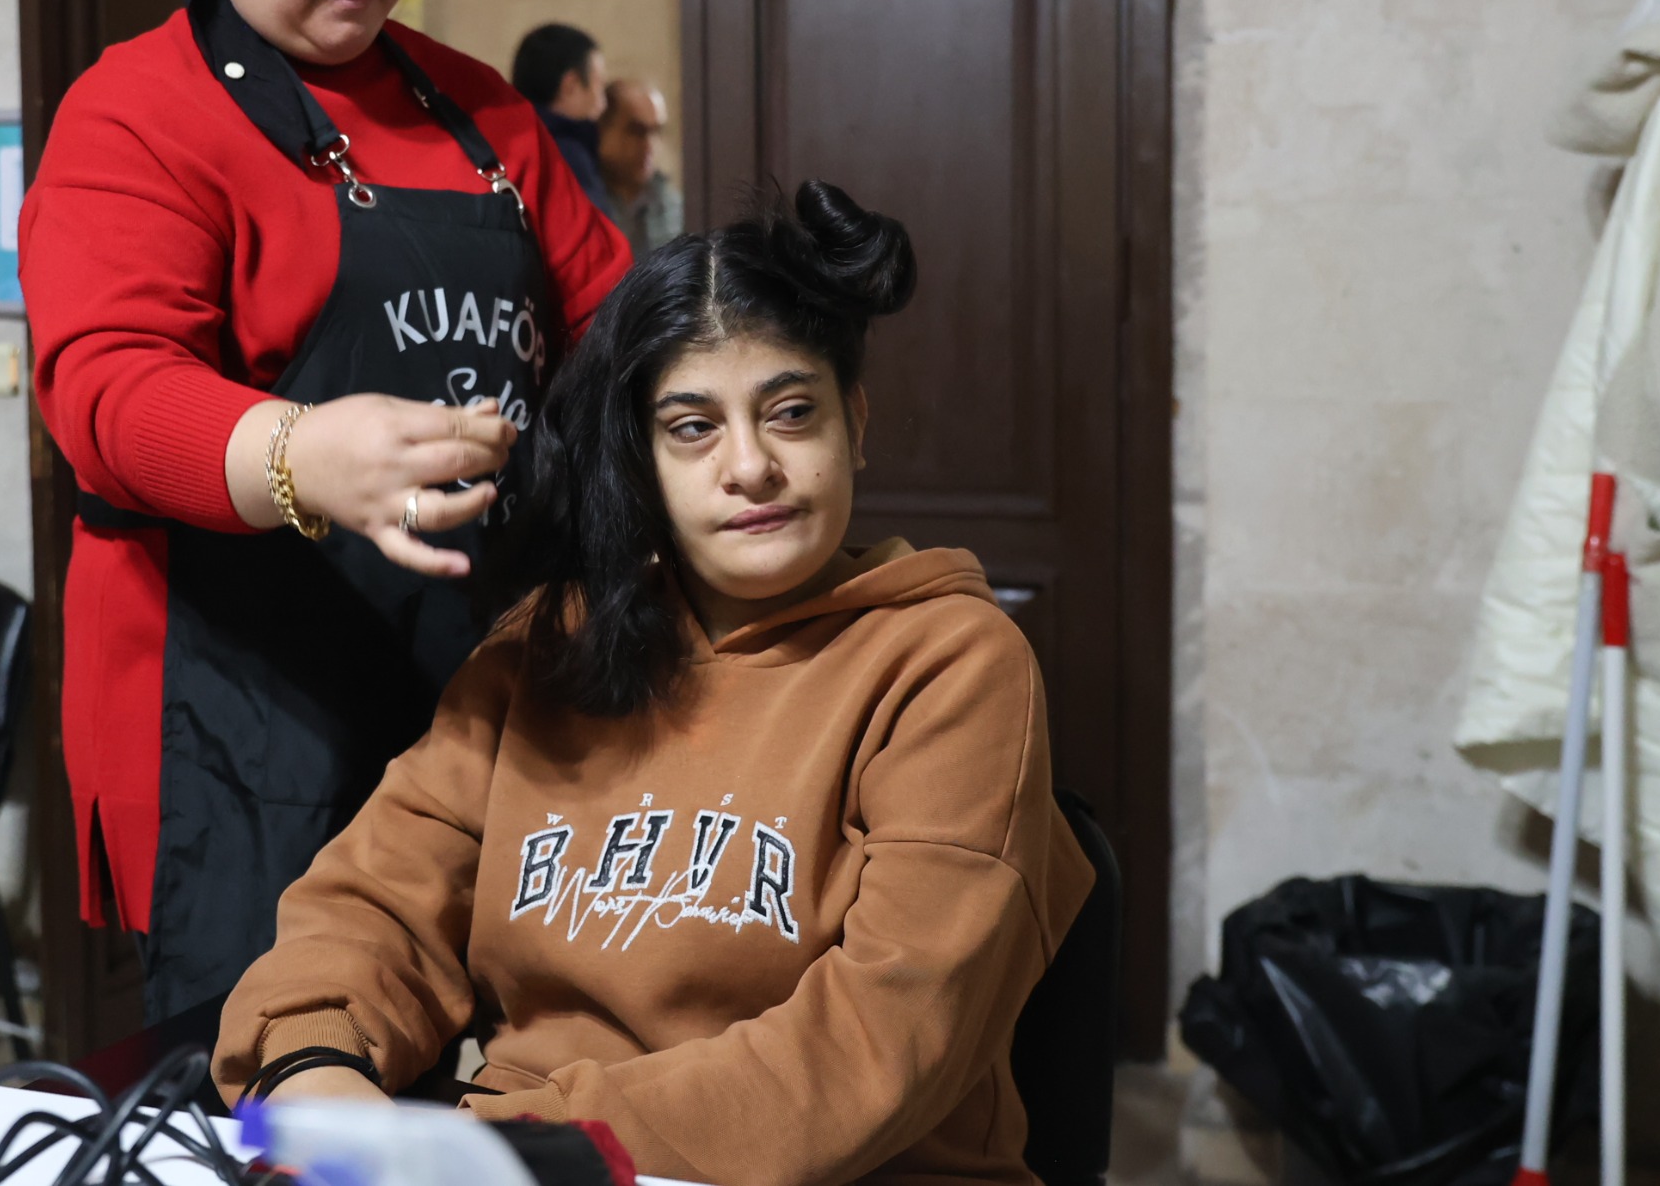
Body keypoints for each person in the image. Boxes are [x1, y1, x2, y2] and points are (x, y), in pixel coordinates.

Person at [214, 182, 1095, 1186]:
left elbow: (878, 1046)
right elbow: (370, 905)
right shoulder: (542, 650)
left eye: (791, 412)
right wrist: (315, 1071)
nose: (750, 466)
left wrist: (507, 1143)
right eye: (692, 427)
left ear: (854, 422)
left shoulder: (950, 663)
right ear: (640, 458)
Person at [19, 0, 631, 1028]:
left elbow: (615, 329)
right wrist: (298, 453)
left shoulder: (480, 110)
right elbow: (107, 392)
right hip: (243, 717)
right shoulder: (136, 112)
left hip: (483, 691)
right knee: (284, 1079)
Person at [509, 22, 613, 213]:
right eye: (599, 86)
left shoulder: (498, 148)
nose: (603, 104)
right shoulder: (569, 160)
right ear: (570, 85)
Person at [597, 76, 682, 259]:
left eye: (656, 131)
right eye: (636, 131)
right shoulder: (587, 197)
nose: (650, 146)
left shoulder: (669, 203)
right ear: (603, 129)